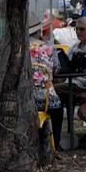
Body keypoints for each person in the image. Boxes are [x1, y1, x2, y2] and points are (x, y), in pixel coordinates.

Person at [28, 11, 63, 149]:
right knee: (58, 109)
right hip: (46, 97)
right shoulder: (48, 48)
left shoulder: (17, 47)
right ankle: (56, 143)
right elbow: (56, 69)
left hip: (24, 95)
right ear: (38, 30)